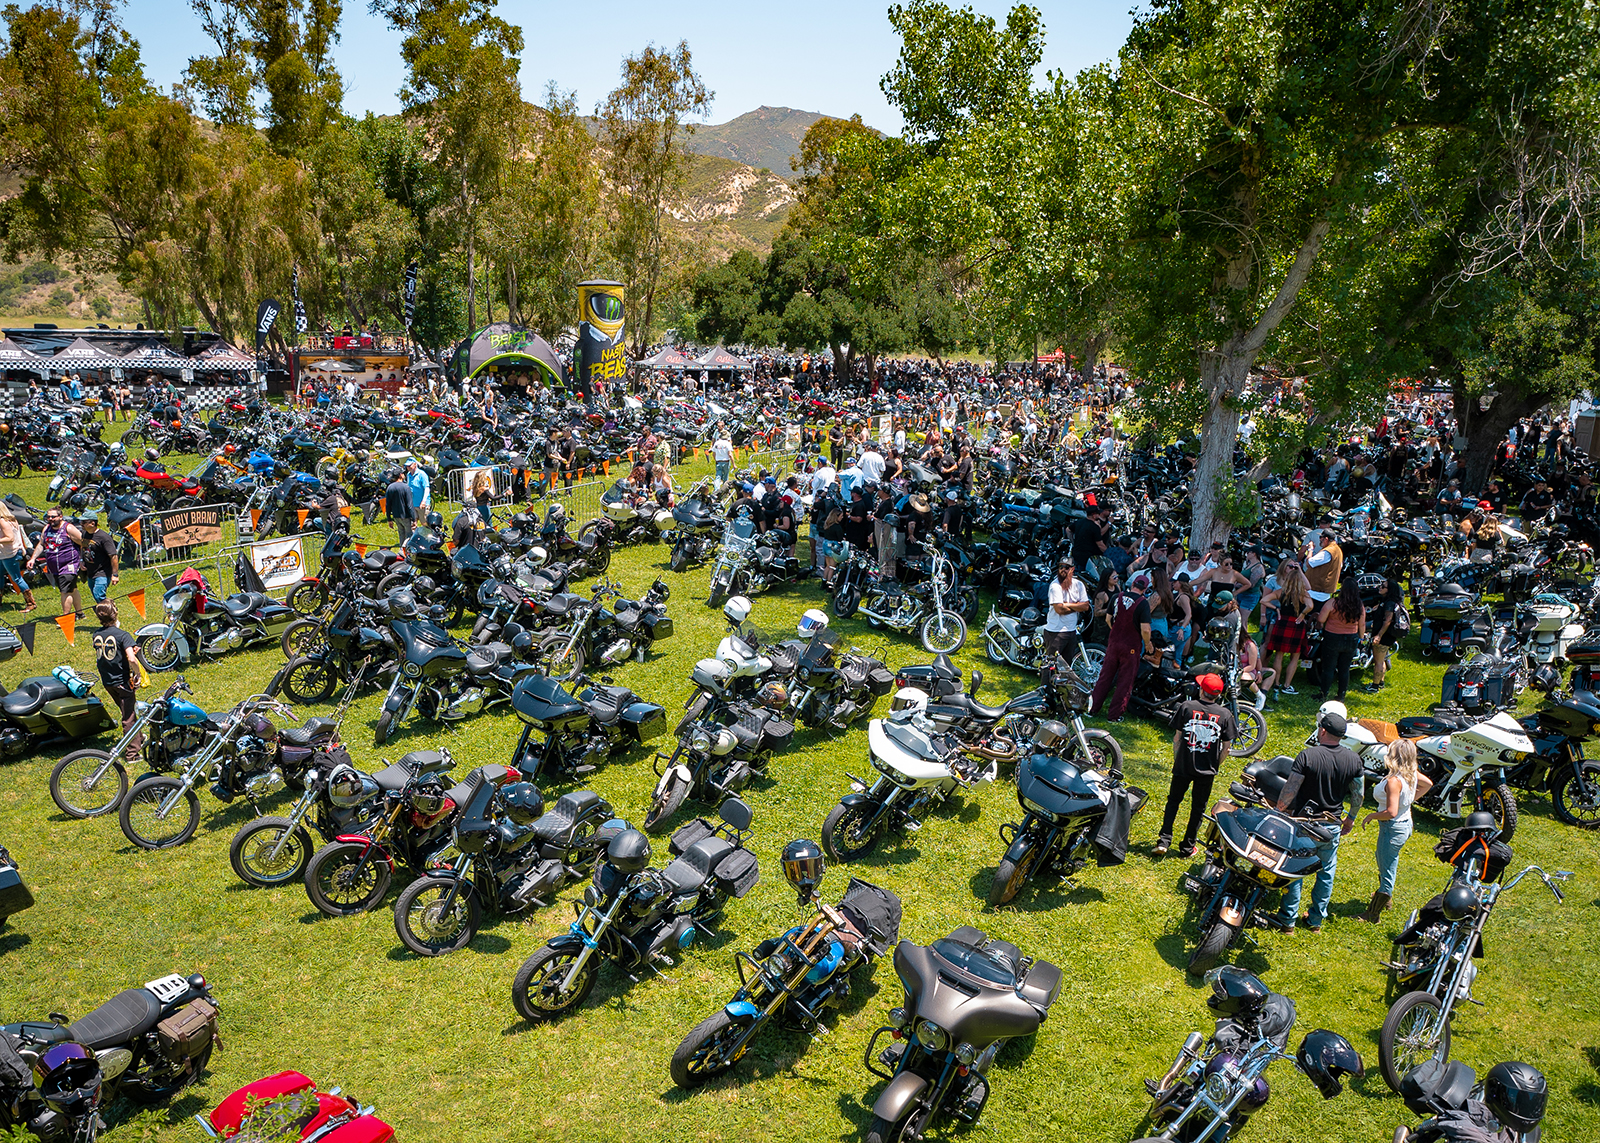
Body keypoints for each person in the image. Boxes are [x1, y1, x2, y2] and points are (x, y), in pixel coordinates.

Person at [1272, 710, 1364, 933]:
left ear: (1322, 730)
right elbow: (1358, 794)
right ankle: (1315, 921)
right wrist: (1350, 818)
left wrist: (1278, 811)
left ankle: (1287, 921)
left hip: (1304, 823)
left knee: (1296, 869)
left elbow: (1290, 789)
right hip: (1331, 826)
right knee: (1326, 872)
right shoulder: (1354, 759)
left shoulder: (1308, 756)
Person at [1156, 673, 1235, 857]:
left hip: (1183, 765)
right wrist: (1216, 765)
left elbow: (1177, 738)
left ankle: (1163, 840)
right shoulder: (1225, 714)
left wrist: (1178, 758)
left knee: (1173, 801)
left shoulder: (1187, 706)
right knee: (1198, 808)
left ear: (1201, 690)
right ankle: (1187, 847)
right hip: (1207, 770)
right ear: (1218, 694)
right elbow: (1227, 748)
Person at [1360, 737, 1432, 922]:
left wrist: (1371, 816)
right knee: (1385, 861)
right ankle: (1386, 898)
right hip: (1405, 824)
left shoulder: (1394, 781)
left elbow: (1391, 812)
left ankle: (1372, 913)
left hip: (1392, 828)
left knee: (1387, 867)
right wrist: (1408, 800)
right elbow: (1428, 784)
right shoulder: (1411, 773)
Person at [1087, 571, 1156, 722]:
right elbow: (1145, 629)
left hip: (1114, 643)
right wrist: (1148, 644)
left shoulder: (1116, 597)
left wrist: (1116, 631)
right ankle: (1114, 715)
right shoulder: (1143, 603)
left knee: (1104, 677)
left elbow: (1108, 619)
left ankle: (1091, 708)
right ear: (1145, 589)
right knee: (1125, 682)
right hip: (1131, 646)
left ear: (1132, 584)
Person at [90, 600, 142, 764]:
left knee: (128, 709)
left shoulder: (96, 634)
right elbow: (131, 658)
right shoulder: (122, 635)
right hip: (122, 682)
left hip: (108, 682)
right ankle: (132, 754)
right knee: (129, 717)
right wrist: (137, 673)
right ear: (115, 614)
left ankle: (138, 738)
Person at [1262, 560, 1313, 696]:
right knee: (1294, 657)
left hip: (1282, 623)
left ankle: (1277, 683)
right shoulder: (1303, 594)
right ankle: (1287, 685)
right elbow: (1311, 606)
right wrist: (1302, 614)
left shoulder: (1281, 592)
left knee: (1278, 655)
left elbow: (1263, 600)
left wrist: (1276, 608)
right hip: (1296, 624)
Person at [25, 508, 83, 619]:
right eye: (48, 517)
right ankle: (80, 614)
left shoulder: (69, 528)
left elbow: (82, 542)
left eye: (53, 517)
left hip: (69, 565)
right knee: (72, 589)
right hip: (54, 566)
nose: (50, 519)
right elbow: (42, 544)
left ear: (60, 516)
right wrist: (33, 558)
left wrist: (81, 560)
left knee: (65, 591)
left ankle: (66, 618)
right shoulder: (47, 528)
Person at [1317, 576, 1366, 701]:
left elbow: (1321, 619)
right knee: (1345, 669)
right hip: (1351, 638)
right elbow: (1362, 624)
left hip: (1333, 637)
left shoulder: (1333, 603)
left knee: (1328, 668)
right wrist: (1360, 638)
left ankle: (1323, 694)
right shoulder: (1359, 605)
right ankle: (1341, 695)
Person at [1043, 558, 1090, 674]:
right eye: (1061, 567)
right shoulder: (1055, 586)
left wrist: (1067, 605)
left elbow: (1086, 607)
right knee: (1050, 665)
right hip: (1055, 631)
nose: (1063, 570)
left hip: (1071, 631)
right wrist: (1076, 607)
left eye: (1066, 567)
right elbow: (1059, 609)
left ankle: (1061, 691)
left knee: (1066, 667)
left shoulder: (1079, 585)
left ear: (1072, 569)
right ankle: (1046, 689)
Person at [1364, 578, 1403, 693]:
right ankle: (1380, 682)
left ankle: (1374, 686)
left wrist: (1379, 636)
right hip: (1384, 635)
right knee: (1382, 659)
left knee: (1378, 661)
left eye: (1383, 587)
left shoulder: (1389, 604)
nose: (1380, 588)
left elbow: (1387, 621)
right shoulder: (1386, 601)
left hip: (1384, 636)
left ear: (1389, 590)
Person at [0, 501, 36, 611]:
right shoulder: (11, 519)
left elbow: (9, 537)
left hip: (9, 554)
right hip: (6, 553)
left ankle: (31, 603)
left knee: (16, 578)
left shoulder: (2, 521)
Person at [78, 514, 118, 603]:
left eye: (84, 522)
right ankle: (107, 612)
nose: (81, 524)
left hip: (102, 572)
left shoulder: (104, 537)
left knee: (99, 595)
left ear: (93, 523)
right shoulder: (84, 533)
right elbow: (83, 546)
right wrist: (81, 560)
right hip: (90, 572)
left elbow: (113, 556)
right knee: (97, 597)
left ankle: (109, 613)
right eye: (81, 522)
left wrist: (115, 575)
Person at [1303, 528, 1343, 606]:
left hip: (1315, 593)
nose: (1320, 540)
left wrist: (1310, 549)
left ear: (1326, 539)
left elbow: (1309, 563)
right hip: (1324, 593)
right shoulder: (1337, 550)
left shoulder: (1327, 552)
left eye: (1321, 538)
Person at [385, 470, 414, 543]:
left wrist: (389, 519)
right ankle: (408, 552)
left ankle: (402, 551)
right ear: (400, 475)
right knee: (409, 536)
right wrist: (414, 518)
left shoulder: (390, 487)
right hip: (405, 516)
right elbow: (409, 505)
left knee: (401, 534)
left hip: (396, 516)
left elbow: (388, 505)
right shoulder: (405, 487)